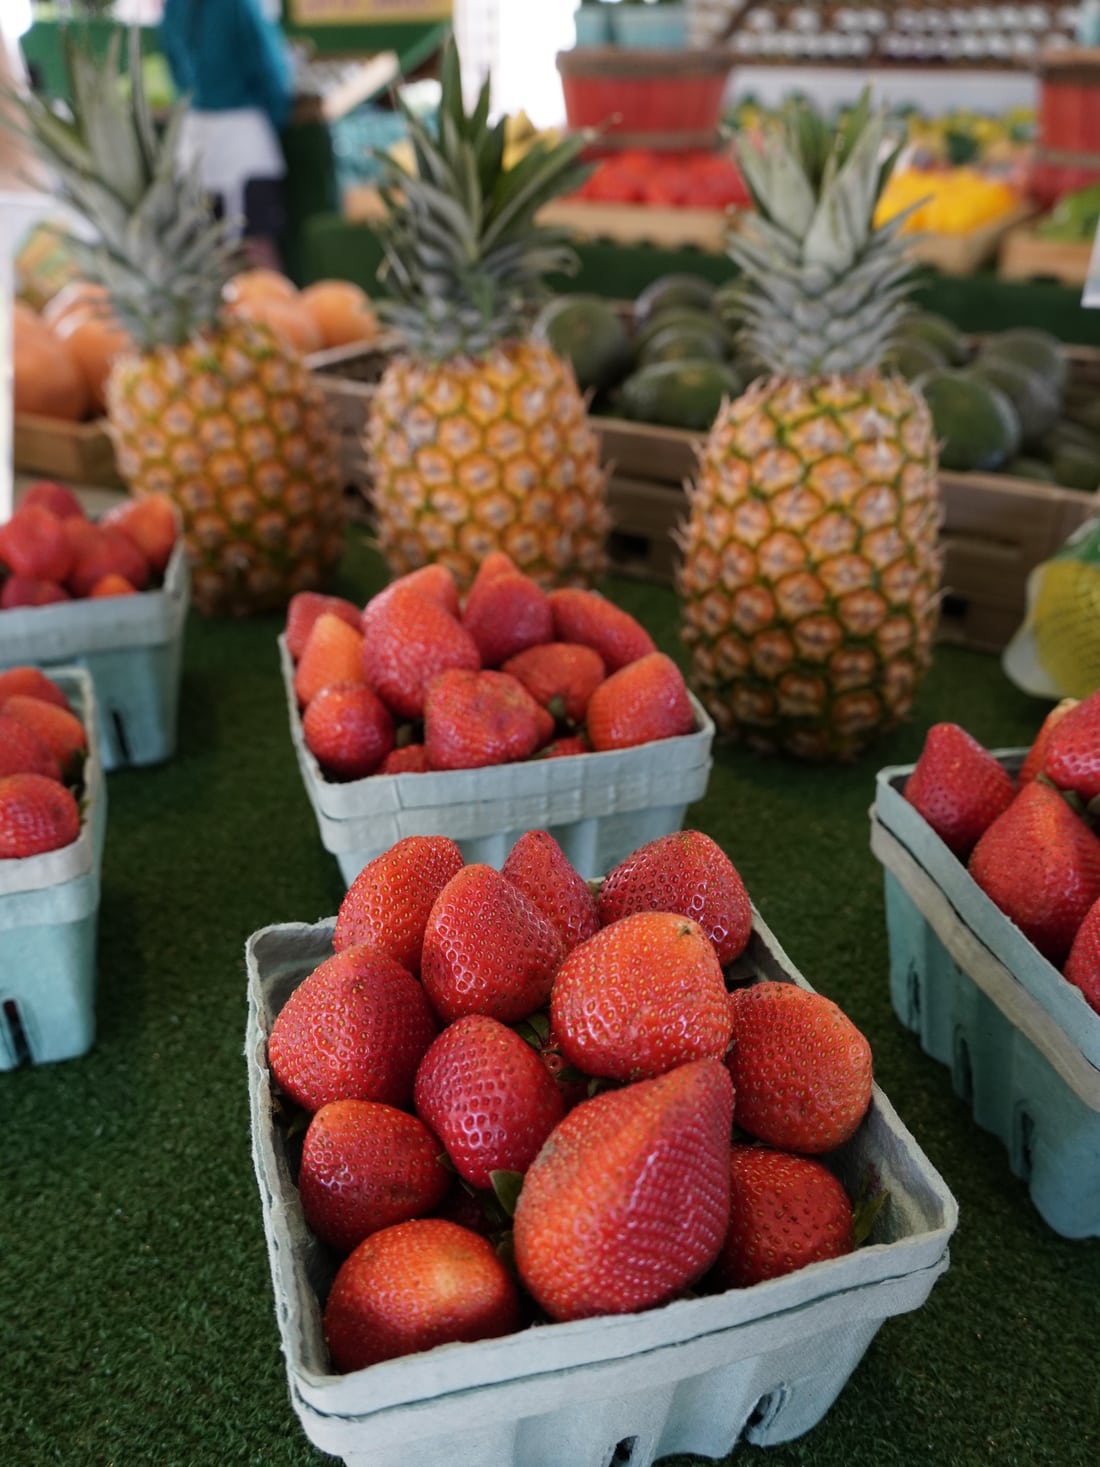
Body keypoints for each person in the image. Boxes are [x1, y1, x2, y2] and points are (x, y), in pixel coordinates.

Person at [160, 0, 295, 269]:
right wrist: (278, 111)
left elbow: (174, 70)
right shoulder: (239, 4)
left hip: (194, 137)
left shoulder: (172, 7)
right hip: (243, 133)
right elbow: (267, 64)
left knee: (208, 248)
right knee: (258, 244)